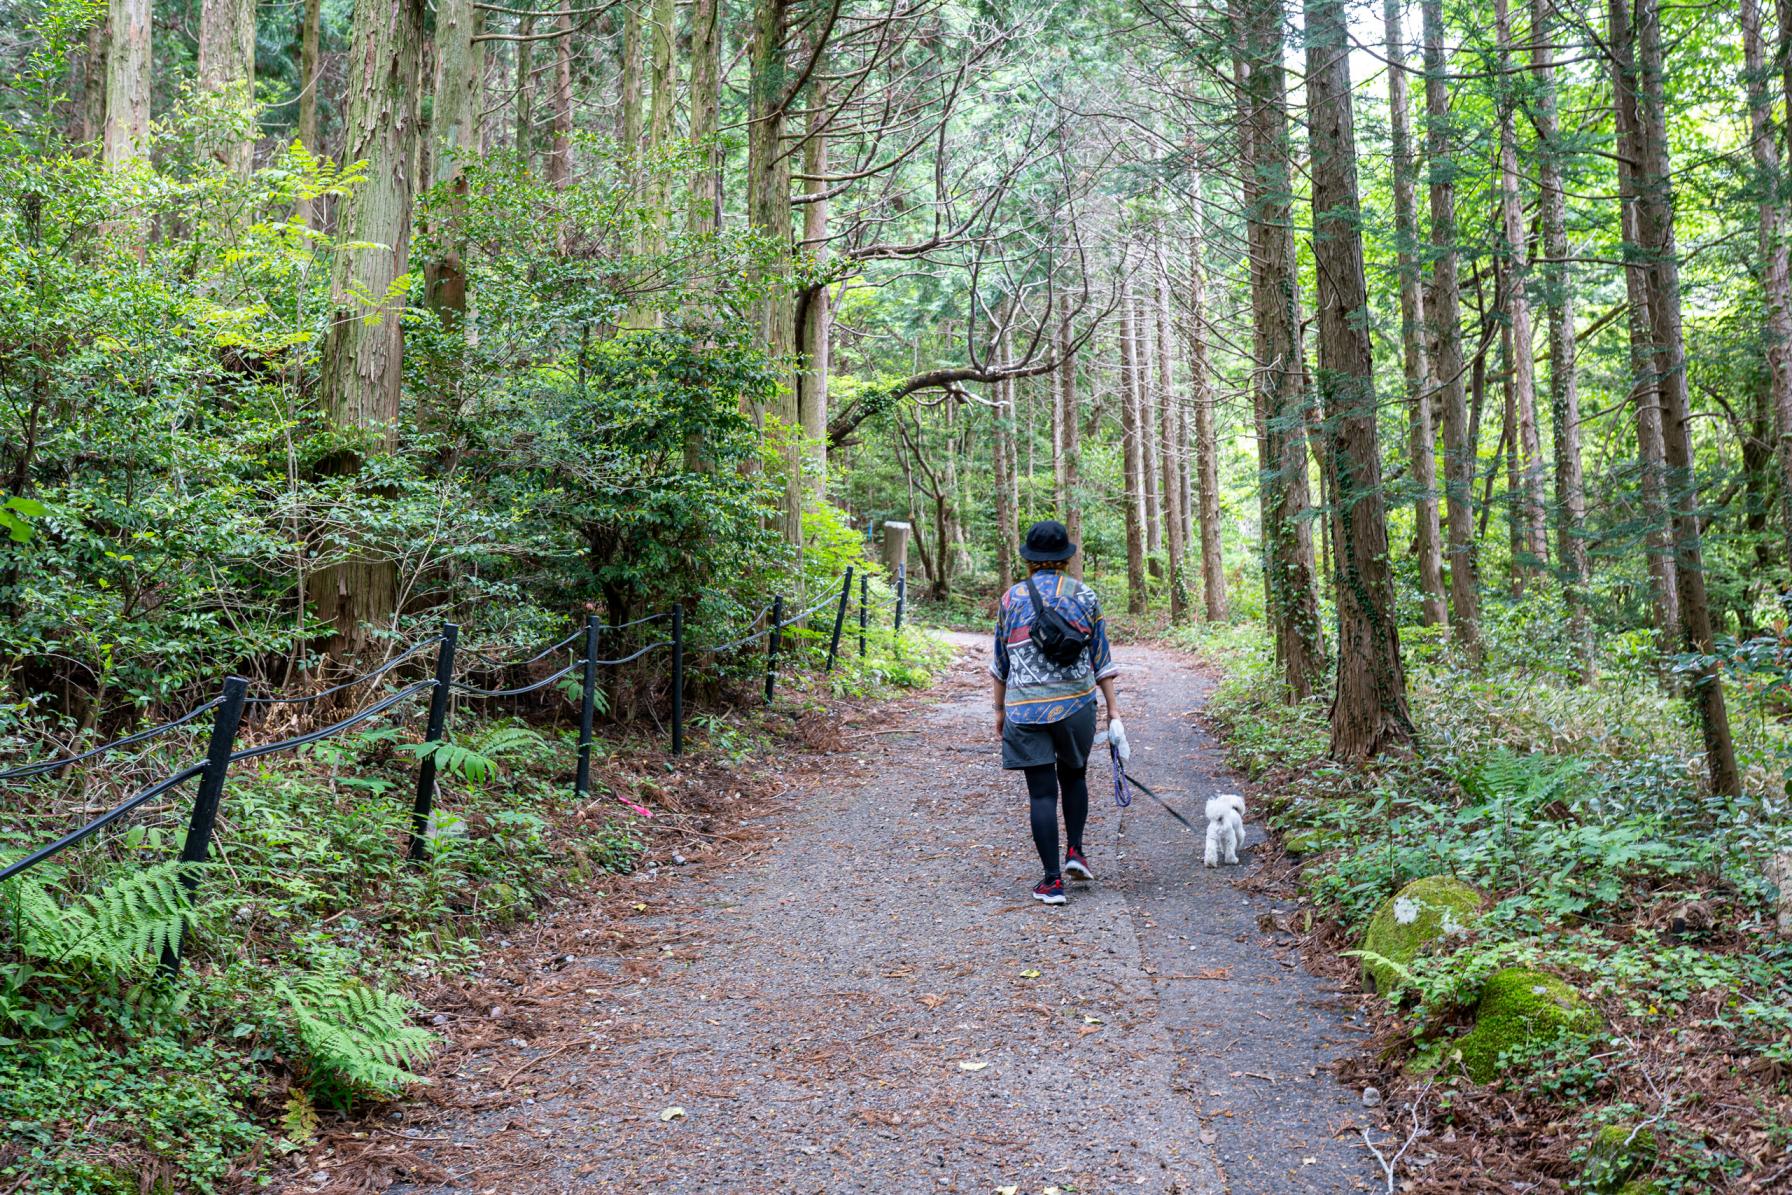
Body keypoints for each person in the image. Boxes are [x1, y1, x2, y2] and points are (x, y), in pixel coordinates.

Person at [990, 520, 1124, 905]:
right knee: (1075, 775)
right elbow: (1102, 659)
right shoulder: (1085, 596)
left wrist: (999, 710)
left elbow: (1000, 663)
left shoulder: (1011, 599)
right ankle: (1076, 853)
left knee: (1042, 794)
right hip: (1076, 705)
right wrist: (1114, 711)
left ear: (1031, 561)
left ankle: (1051, 882)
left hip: (1026, 708)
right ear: (1065, 558)